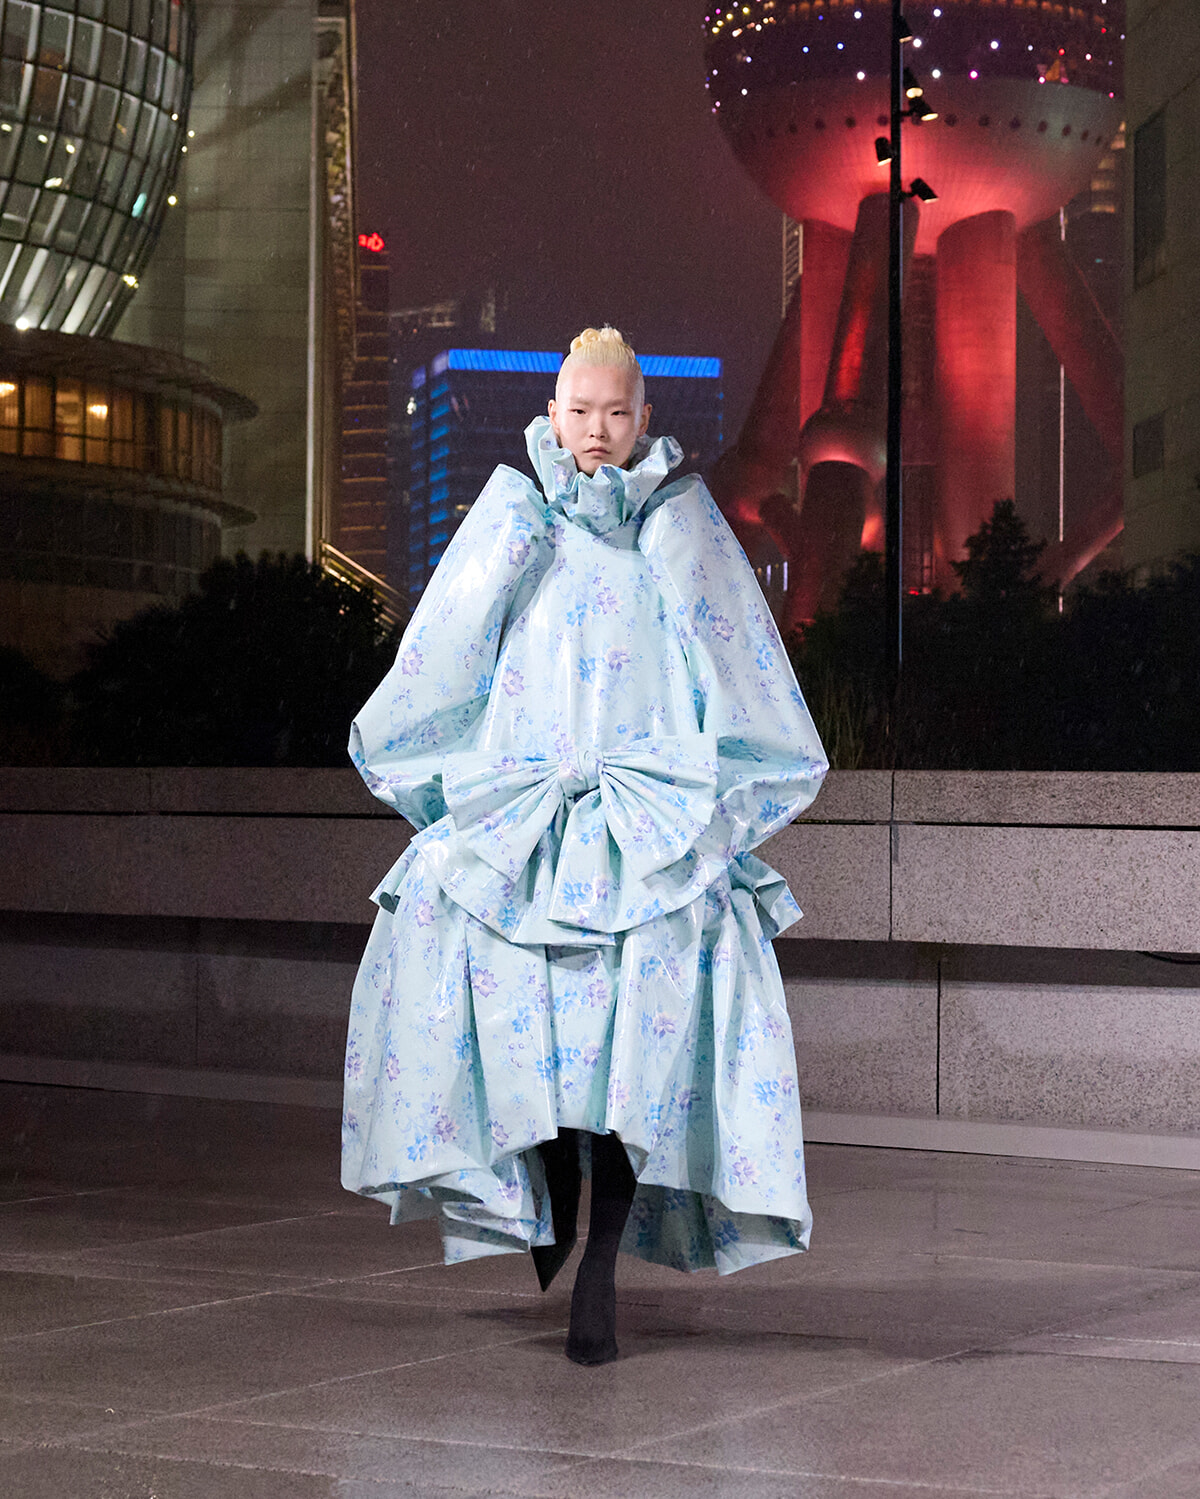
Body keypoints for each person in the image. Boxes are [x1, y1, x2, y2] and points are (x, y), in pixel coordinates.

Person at [342, 326, 828, 1365]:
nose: (597, 432)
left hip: (647, 834)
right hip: (531, 824)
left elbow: (736, 668)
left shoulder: (681, 533)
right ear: (552, 416)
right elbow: (447, 657)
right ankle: (554, 1208)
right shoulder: (513, 525)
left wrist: (717, 805)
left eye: (615, 413)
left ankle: (597, 1262)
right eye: (579, 411)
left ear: (645, 419)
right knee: (545, 1049)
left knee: (629, 1060)